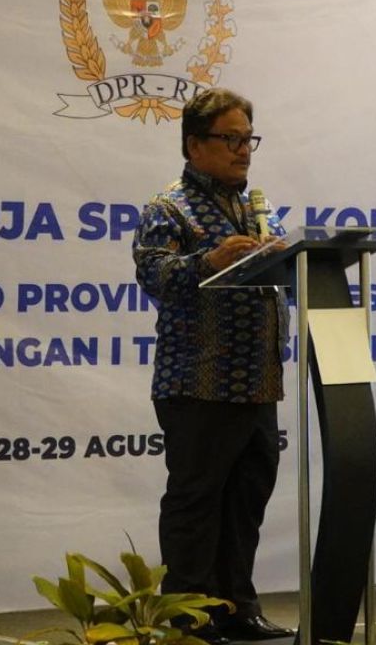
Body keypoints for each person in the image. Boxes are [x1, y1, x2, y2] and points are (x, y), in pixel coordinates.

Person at [132, 88, 295, 644]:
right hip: (198, 382)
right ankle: (188, 618)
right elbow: (154, 275)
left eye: (248, 138)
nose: (243, 150)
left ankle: (237, 608)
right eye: (230, 139)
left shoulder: (256, 207)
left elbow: (283, 274)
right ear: (194, 145)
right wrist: (209, 260)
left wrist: (285, 257)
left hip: (258, 382)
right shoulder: (168, 208)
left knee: (247, 499)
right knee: (196, 502)